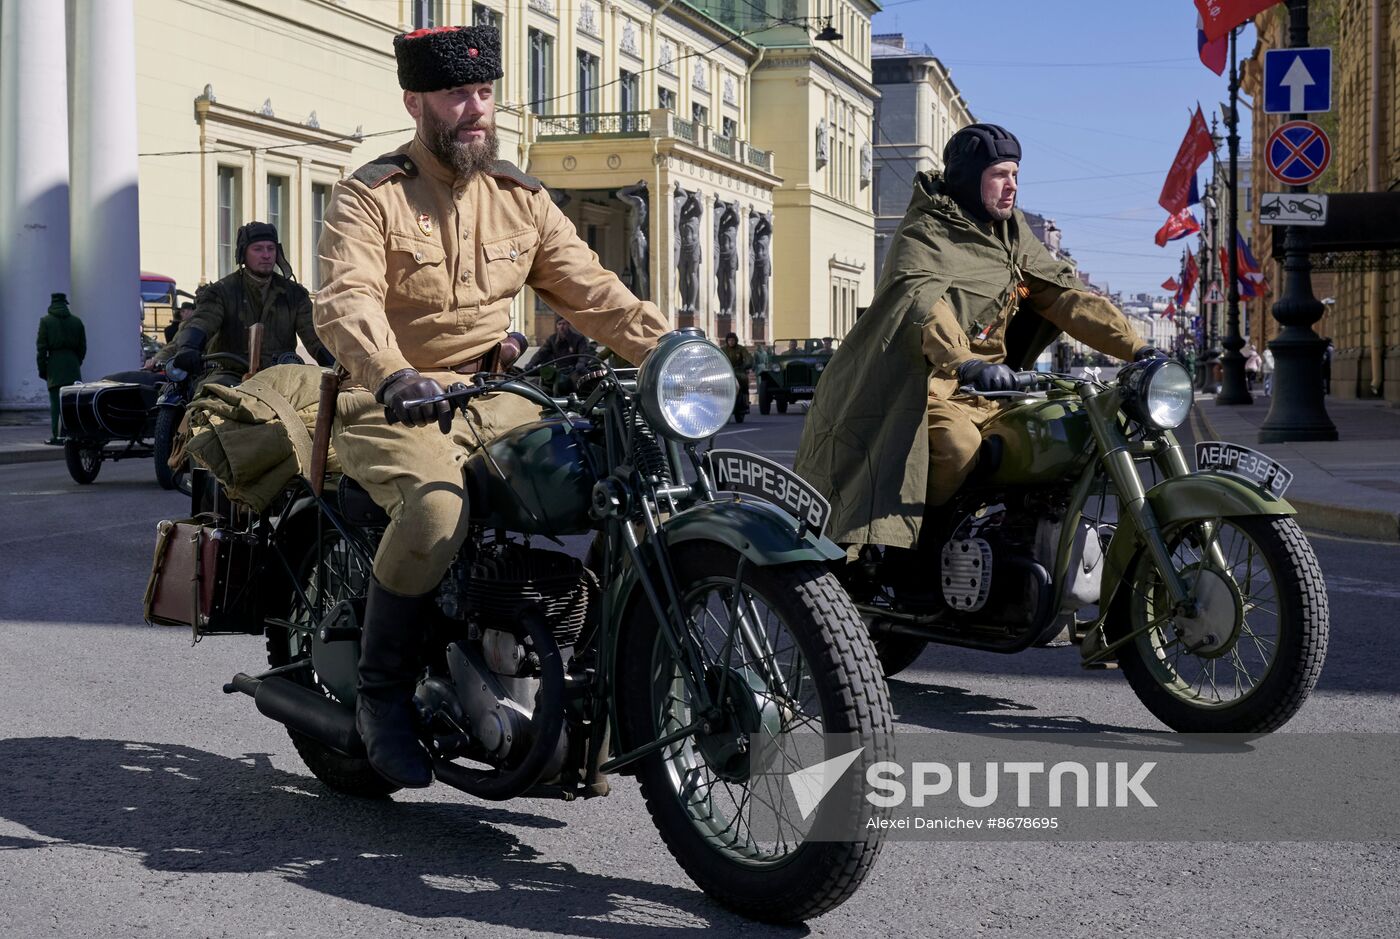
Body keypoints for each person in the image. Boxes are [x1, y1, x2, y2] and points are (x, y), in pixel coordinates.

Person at [313, 23, 669, 789]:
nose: (474, 109)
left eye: (483, 92)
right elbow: (346, 301)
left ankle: (572, 688)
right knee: (438, 510)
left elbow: (595, 292)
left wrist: (672, 351)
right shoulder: (369, 196)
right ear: (415, 101)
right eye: (454, 94)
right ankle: (381, 697)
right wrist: (392, 373)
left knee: (607, 479)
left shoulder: (523, 201)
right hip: (393, 399)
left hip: (497, 394)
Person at [795, 123, 1152, 558]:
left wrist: (1139, 349)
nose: (1011, 188)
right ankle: (915, 549)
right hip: (924, 386)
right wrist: (965, 361)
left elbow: (1065, 299)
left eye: (1016, 176)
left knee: (1059, 433)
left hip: (992, 392)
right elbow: (923, 301)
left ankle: (1018, 542)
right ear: (969, 177)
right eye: (1000, 175)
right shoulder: (926, 230)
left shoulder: (1011, 234)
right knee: (957, 446)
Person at [165, 222, 333, 385]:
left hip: (281, 378)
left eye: (270, 248)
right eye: (258, 249)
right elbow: (203, 320)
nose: (266, 255)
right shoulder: (222, 291)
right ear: (243, 254)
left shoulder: (295, 294)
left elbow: (314, 335)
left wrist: (332, 361)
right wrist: (189, 346)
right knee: (208, 407)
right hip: (229, 376)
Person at [35, 292, 86, 444]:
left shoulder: (46, 321)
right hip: (72, 365)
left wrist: (42, 368)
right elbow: (82, 347)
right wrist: (76, 362)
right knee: (71, 403)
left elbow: (41, 348)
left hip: (55, 365)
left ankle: (57, 436)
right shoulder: (77, 322)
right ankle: (72, 434)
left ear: (52, 304)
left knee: (56, 404)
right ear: (65, 304)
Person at [533, 316, 594, 395]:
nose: (562, 326)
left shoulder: (579, 338)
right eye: (559, 324)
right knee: (540, 380)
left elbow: (583, 354)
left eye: (564, 324)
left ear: (569, 325)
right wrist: (531, 364)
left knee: (577, 383)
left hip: (575, 370)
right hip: (559, 370)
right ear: (557, 326)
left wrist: (581, 363)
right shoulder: (552, 339)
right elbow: (541, 353)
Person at [721, 332, 752, 416]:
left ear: (736, 340)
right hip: (725, 371)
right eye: (729, 340)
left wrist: (746, 365)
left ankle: (745, 402)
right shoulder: (723, 349)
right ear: (727, 341)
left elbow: (748, 358)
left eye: (733, 340)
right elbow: (717, 358)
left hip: (738, 370)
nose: (731, 342)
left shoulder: (741, 349)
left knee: (743, 380)